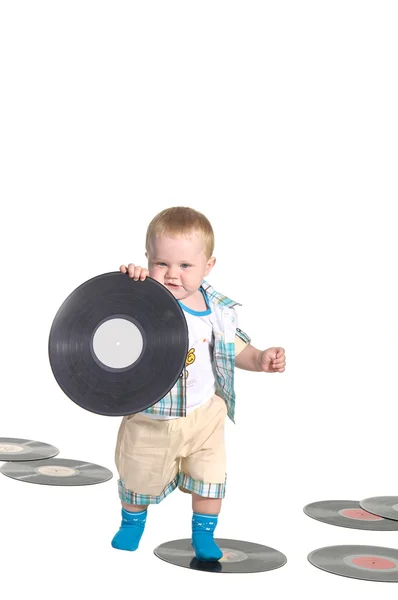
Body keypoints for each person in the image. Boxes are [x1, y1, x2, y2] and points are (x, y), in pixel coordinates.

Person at [112, 206, 286, 561]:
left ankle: (203, 535)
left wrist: (262, 358)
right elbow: (111, 316)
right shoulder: (144, 299)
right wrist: (130, 283)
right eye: (162, 263)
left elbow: (236, 349)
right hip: (153, 418)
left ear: (209, 266)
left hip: (205, 416)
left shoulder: (217, 311)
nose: (172, 274)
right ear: (147, 259)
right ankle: (132, 523)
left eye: (185, 266)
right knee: (138, 477)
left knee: (211, 478)